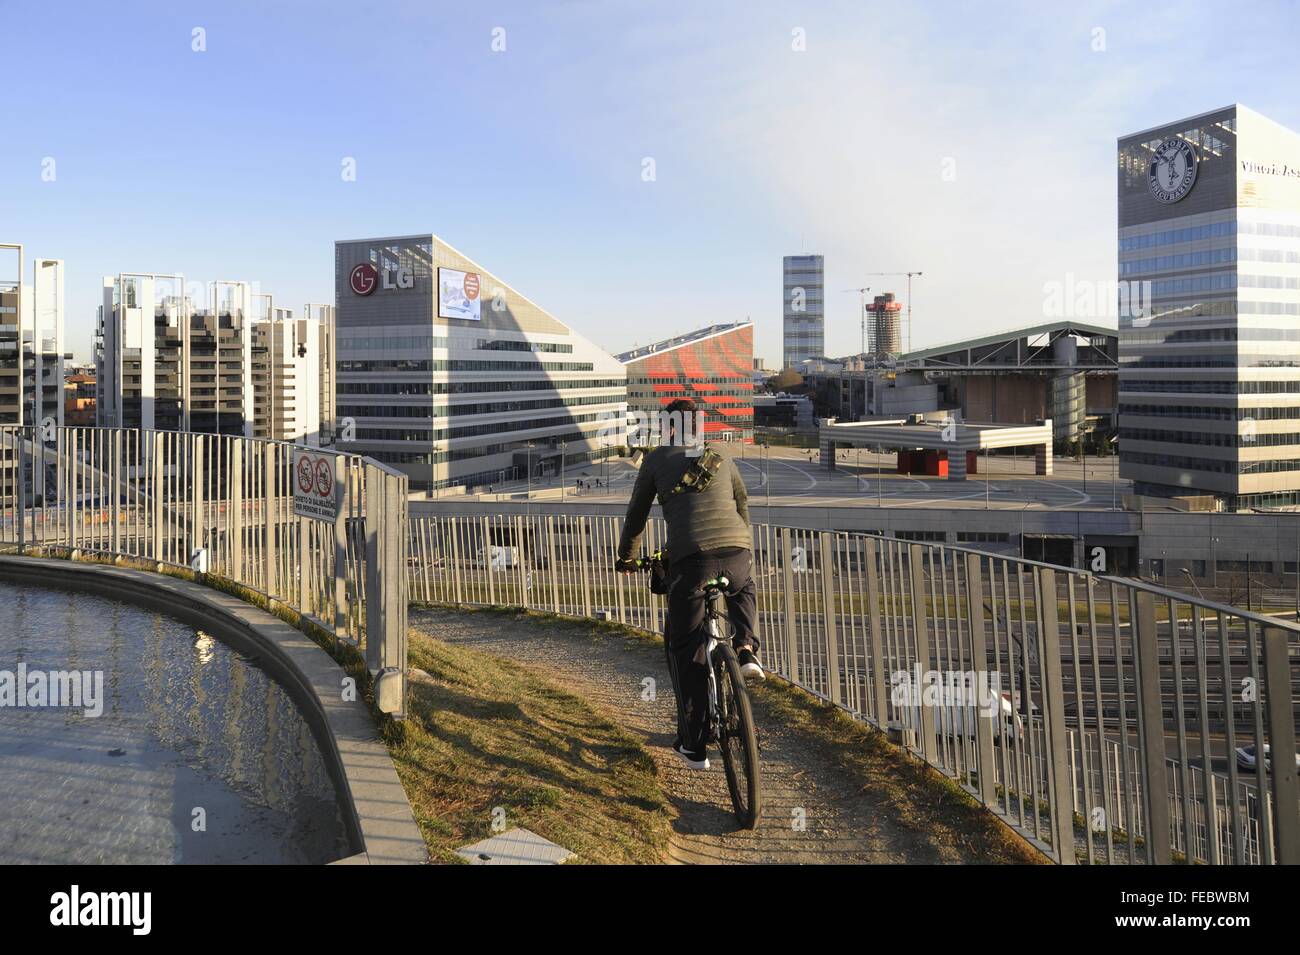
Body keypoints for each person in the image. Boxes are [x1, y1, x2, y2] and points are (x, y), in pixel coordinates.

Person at [615, 398, 762, 771]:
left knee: (686, 649)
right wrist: (742, 543)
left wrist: (627, 557)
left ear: (668, 428)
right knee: (743, 587)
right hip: (736, 552)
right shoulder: (720, 454)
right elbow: (742, 502)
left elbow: (636, 515)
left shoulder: (656, 459)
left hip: (691, 562)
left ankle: (695, 746)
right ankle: (746, 648)